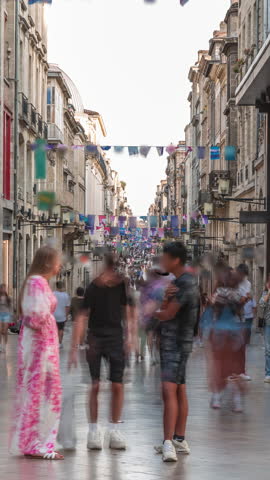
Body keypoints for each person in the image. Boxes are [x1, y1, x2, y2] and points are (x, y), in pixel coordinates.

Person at [69, 254, 130, 451]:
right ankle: (93, 430)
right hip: (95, 339)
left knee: (117, 385)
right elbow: (82, 316)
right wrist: (74, 347)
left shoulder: (122, 286)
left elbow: (127, 312)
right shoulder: (93, 288)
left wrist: (131, 336)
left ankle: (113, 429)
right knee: (95, 385)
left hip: (115, 338)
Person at [10, 246, 63, 460]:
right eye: (58, 261)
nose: (60, 265)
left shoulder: (37, 282)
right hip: (41, 348)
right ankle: (38, 444)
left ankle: (35, 442)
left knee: (41, 392)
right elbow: (35, 317)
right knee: (44, 392)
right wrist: (48, 323)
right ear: (49, 262)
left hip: (42, 346)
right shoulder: (37, 282)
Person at [154, 242, 199, 462]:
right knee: (180, 389)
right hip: (181, 341)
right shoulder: (181, 282)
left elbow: (168, 314)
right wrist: (164, 299)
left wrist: (153, 310)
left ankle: (168, 442)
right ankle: (179, 438)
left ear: (175, 260)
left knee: (169, 391)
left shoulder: (183, 284)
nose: (162, 261)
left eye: (165, 257)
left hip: (175, 343)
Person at [208, 268, 246, 412]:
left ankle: (217, 397)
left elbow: (213, 310)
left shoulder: (219, 293)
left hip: (220, 333)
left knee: (219, 366)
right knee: (234, 368)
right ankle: (236, 401)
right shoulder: (237, 294)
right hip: (234, 332)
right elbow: (241, 314)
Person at [236, 264, 252, 381]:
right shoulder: (234, 284)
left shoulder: (248, 284)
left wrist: (246, 299)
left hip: (242, 318)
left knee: (242, 346)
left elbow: (243, 301)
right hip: (232, 319)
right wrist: (244, 299)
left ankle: (241, 371)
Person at [53, 281, 70, 347]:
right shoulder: (66, 295)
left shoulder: (53, 294)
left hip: (54, 315)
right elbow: (67, 307)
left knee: (55, 329)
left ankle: (55, 342)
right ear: (62, 286)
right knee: (61, 329)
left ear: (56, 286)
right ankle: (60, 343)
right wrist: (66, 315)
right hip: (62, 316)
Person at [259, 281, 270, 383]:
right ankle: (268, 374)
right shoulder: (265, 294)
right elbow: (261, 304)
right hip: (268, 325)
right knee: (268, 350)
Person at [0, 284, 11, 353]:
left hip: (6, 315)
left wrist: (13, 316)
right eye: (2, 288)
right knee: (0, 331)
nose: (3, 289)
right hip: (0, 314)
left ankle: (5, 346)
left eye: (4, 288)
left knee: (5, 331)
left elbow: (11, 307)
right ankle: (0, 345)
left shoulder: (8, 298)